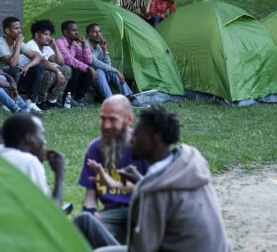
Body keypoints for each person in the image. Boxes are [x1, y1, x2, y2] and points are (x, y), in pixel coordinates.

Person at [83, 105, 231, 252]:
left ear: (153, 139)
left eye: (137, 135)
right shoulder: (186, 164)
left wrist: (143, 186)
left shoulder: (155, 191)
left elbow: (142, 249)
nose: (131, 138)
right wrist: (141, 181)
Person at [73, 95, 149, 244]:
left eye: (112, 119)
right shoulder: (95, 148)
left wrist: (115, 184)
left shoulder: (145, 146)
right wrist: (91, 211)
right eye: (103, 119)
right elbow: (90, 194)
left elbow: (157, 191)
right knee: (84, 224)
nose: (106, 125)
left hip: (142, 212)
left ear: (129, 120)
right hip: (111, 213)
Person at [0, 114, 65, 205]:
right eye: (42, 134)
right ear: (29, 138)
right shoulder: (29, 162)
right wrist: (59, 173)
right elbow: (52, 213)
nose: (45, 141)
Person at [0, 16, 43, 112]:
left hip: (13, 75)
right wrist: (18, 44)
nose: (19, 31)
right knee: (15, 70)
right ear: (7, 31)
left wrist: (27, 66)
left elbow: (38, 56)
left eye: (20, 28)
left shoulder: (17, 41)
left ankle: (31, 102)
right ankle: (7, 102)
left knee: (39, 67)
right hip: (0, 76)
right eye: (16, 28)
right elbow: (12, 63)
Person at [24, 20, 71, 110]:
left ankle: (52, 99)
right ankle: (40, 100)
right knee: (50, 72)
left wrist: (55, 45)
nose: (49, 38)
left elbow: (60, 62)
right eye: (46, 34)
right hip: (28, 77)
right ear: (37, 35)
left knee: (66, 69)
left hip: (39, 76)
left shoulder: (46, 47)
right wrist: (58, 72)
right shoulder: (31, 45)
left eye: (49, 35)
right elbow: (43, 62)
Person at [86, 24, 133, 100]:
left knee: (110, 71)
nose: (98, 34)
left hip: (100, 78)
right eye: (94, 32)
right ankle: (110, 100)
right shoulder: (85, 45)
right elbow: (95, 62)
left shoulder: (98, 47)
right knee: (100, 71)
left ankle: (129, 96)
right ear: (88, 35)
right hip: (88, 78)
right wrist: (117, 71)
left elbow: (107, 65)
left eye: (99, 31)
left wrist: (104, 49)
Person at [56, 21, 96, 107]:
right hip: (60, 69)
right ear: (65, 32)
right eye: (73, 30)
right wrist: (88, 67)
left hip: (70, 69)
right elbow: (68, 60)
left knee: (87, 71)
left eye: (77, 30)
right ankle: (69, 98)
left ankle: (79, 98)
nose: (77, 33)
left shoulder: (74, 44)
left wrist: (84, 44)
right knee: (76, 69)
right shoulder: (59, 43)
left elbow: (88, 61)